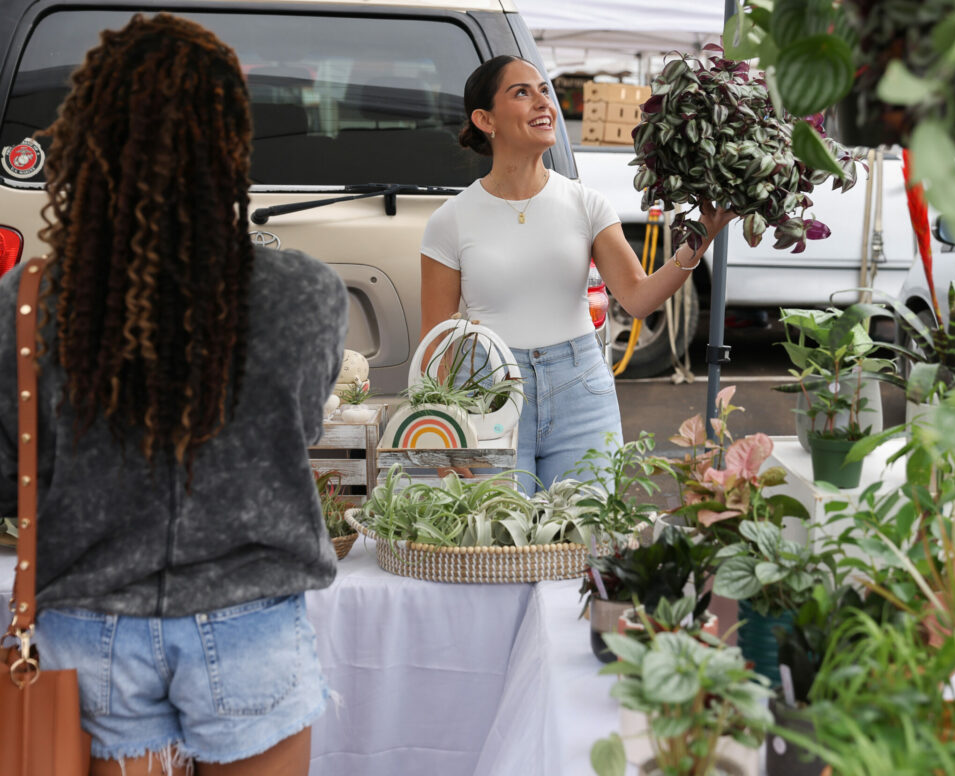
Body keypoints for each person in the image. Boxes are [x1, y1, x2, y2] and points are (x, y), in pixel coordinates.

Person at [0, 14, 347, 776]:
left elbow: (10, 469)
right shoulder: (307, 294)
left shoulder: (24, 302)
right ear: (230, 140)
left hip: (89, 630)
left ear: (86, 136)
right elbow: (300, 426)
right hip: (252, 619)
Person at [420, 55, 735, 494]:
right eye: (522, 92)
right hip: (487, 394)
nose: (542, 102)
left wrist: (700, 237)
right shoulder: (450, 219)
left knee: (585, 546)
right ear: (485, 119)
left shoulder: (586, 203)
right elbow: (437, 340)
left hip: (580, 389)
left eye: (544, 90)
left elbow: (639, 298)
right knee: (499, 552)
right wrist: (440, 438)